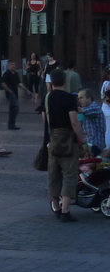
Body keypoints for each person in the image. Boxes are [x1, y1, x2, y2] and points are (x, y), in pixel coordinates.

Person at [44, 80, 88, 221]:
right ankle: (65, 211)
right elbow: (74, 121)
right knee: (69, 174)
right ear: (64, 81)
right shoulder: (69, 98)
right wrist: (83, 141)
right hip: (68, 139)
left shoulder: (48, 97)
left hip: (53, 138)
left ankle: (56, 207)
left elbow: (45, 117)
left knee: (54, 174)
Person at [77, 91, 105, 156]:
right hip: (89, 145)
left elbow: (84, 111)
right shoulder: (85, 110)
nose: (79, 100)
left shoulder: (95, 107)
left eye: (81, 98)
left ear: (89, 98)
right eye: (78, 98)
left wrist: (70, 108)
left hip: (94, 146)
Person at [0, 60, 22, 130]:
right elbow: (3, 84)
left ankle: (11, 124)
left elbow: (19, 83)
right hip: (10, 94)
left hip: (15, 93)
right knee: (16, 107)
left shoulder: (15, 74)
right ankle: (11, 123)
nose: (13, 66)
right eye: (12, 64)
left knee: (12, 108)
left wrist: (27, 90)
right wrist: (10, 91)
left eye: (14, 64)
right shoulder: (6, 74)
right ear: (8, 66)